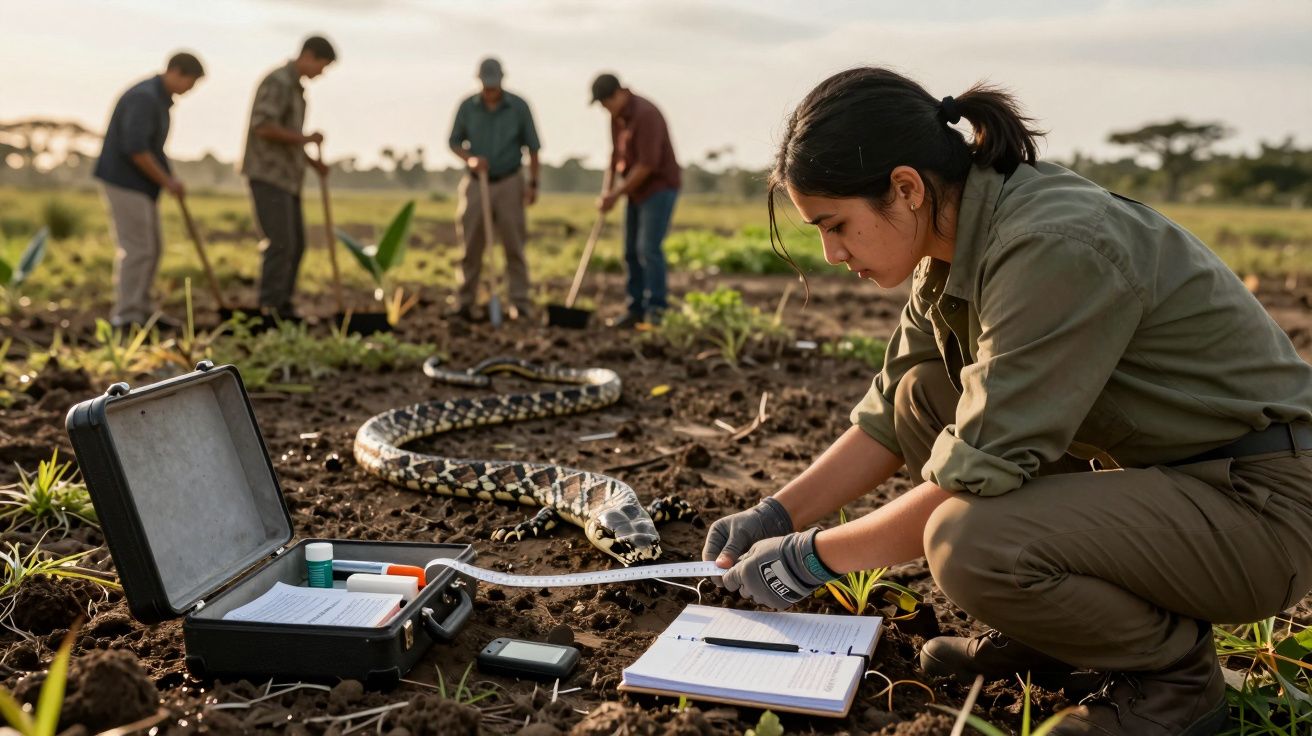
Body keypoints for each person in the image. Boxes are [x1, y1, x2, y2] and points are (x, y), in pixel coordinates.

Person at [701, 67, 1312, 736]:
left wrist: (810, 558)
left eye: (836, 224)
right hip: (1176, 485)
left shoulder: (1049, 245)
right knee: (923, 397)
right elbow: (887, 416)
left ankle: (1173, 684)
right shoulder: (947, 243)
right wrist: (775, 515)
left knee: (969, 541)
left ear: (904, 187)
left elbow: (977, 469)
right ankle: (1065, 642)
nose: (831, 252)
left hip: (1263, 507)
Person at [93, 52, 205, 329]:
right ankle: (126, 315)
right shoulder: (144, 98)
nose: (190, 90)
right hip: (125, 183)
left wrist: (170, 177)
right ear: (176, 72)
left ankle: (142, 309)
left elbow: (155, 150)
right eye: (190, 82)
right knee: (138, 250)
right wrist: (167, 182)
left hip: (142, 187)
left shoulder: (160, 100)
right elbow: (137, 150)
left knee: (153, 248)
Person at [241, 35, 335, 319]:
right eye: (322, 65)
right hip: (269, 175)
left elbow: (287, 138)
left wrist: (310, 161)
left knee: (296, 245)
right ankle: (270, 309)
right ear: (308, 55)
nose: (321, 73)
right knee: (280, 243)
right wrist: (306, 138)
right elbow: (263, 126)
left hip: (289, 178)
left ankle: (284, 305)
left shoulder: (296, 90)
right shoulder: (278, 82)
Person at [448, 57, 541, 322]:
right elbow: (453, 141)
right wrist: (470, 160)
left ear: (502, 81)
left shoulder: (519, 107)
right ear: (479, 82)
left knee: (514, 245)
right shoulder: (468, 107)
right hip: (476, 183)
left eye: (494, 86)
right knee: (470, 246)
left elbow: (534, 148)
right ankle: (465, 302)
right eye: (486, 86)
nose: (490, 91)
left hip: (510, 181)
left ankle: (520, 304)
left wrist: (533, 183)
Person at [592, 73, 680, 328]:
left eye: (605, 103)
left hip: (659, 188)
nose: (605, 109)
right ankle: (636, 309)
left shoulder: (646, 114)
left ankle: (657, 310)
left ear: (618, 94)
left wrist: (616, 194)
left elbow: (646, 165)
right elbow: (614, 157)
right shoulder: (616, 117)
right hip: (634, 191)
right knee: (630, 251)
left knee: (648, 249)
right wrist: (606, 192)